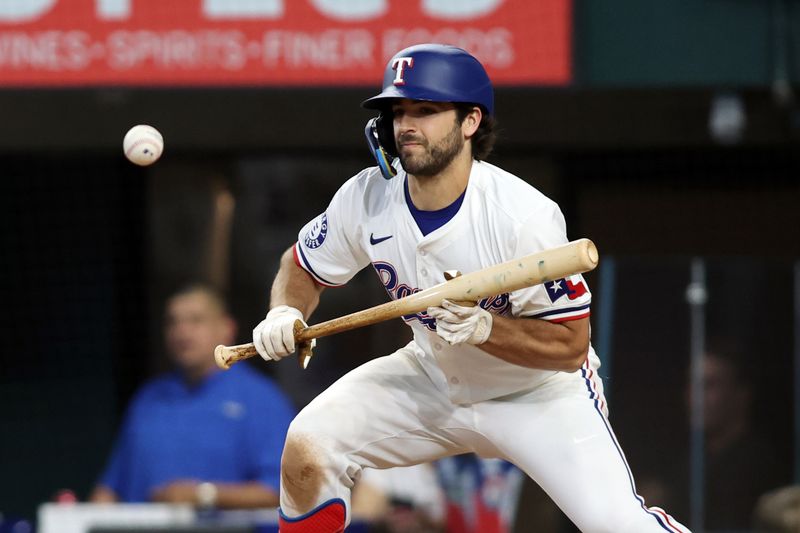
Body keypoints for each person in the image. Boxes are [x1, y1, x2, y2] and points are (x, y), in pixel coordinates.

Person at [251, 43, 690, 532]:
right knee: (309, 444)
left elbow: (570, 346)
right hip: (432, 375)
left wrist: (487, 328)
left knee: (619, 525)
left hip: (535, 395)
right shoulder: (367, 196)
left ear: (470, 122)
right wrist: (285, 312)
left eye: (427, 110)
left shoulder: (522, 216)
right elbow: (303, 265)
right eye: (398, 111)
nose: (406, 125)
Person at [90, 284, 295, 508]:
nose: (182, 332)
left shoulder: (261, 400)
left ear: (227, 328)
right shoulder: (148, 399)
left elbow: (284, 491)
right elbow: (111, 489)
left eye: (196, 320)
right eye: (172, 322)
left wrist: (203, 495)